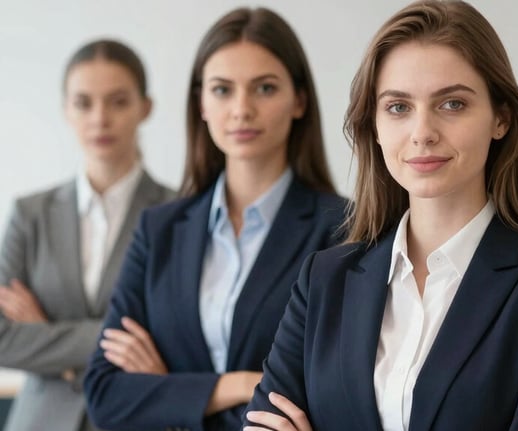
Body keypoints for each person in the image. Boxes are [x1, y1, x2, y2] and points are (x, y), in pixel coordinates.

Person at [242, 2, 518, 431]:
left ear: (501, 118)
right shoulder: (324, 280)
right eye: (398, 107)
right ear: (374, 126)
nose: (422, 133)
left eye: (452, 104)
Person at [83, 7, 346, 431]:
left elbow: (324, 398)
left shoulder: (344, 230)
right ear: (201, 103)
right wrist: (238, 384)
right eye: (222, 90)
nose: (241, 109)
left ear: (299, 100)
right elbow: (104, 395)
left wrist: (171, 389)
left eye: (264, 88)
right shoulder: (159, 230)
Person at [0, 39, 175, 431]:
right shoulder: (30, 215)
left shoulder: (178, 214)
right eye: (83, 103)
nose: (100, 118)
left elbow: (173, 339)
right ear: (65, 109)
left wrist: (44, 335)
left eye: (118, 102)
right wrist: (117, 340)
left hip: (136, 421)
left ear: (145, 108)